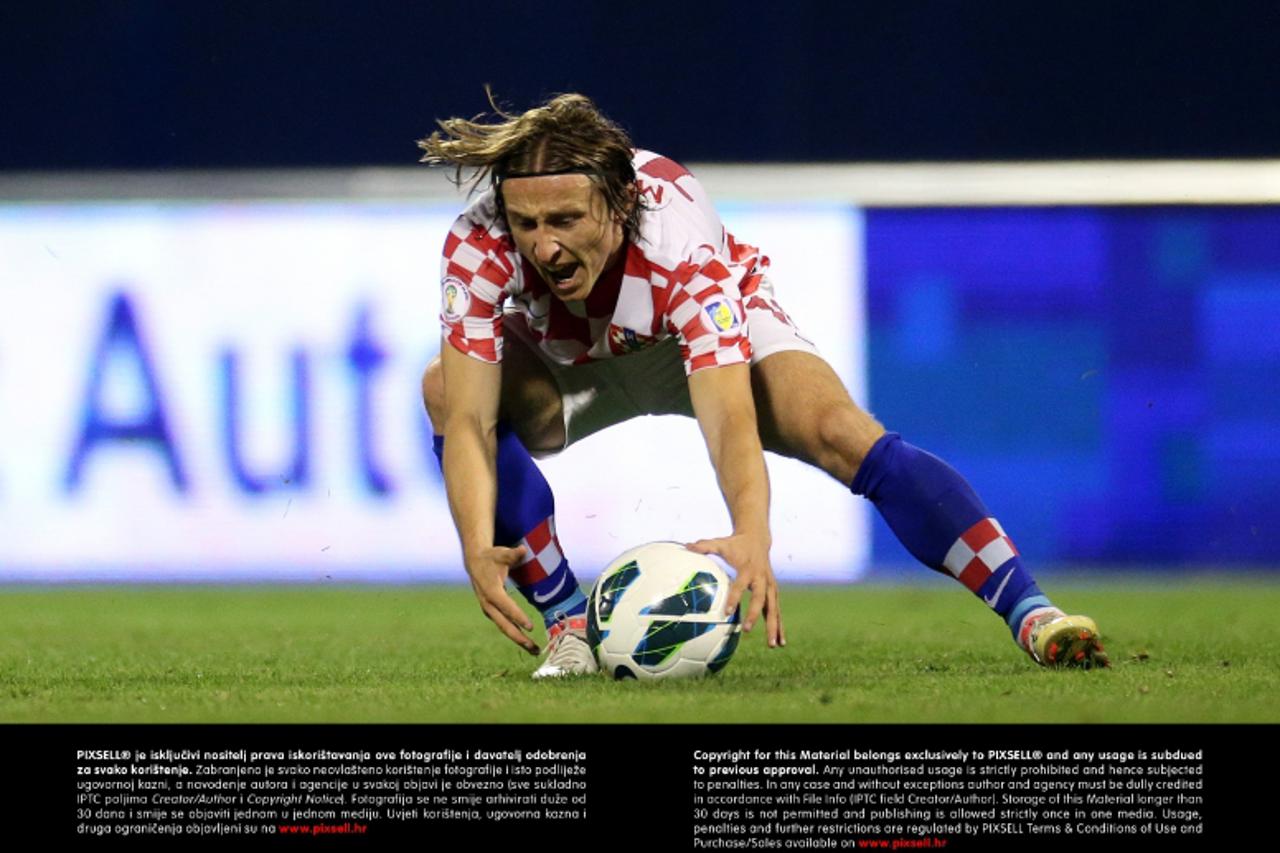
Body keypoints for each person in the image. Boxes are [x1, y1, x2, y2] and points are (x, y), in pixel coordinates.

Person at [417, 93, 1108, 678]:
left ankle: (1031, 611)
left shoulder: (679, 247)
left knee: (841, 431)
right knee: (443, 387)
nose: (543, 246)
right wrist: (476, 544)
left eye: (565, 220)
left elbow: (727, 419)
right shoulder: (479, 243)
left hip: (692, 343)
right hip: (567, 362)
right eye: (527, 223)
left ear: (623, 202)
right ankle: (568, 622)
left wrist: (752, 534)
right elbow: (472, 423)